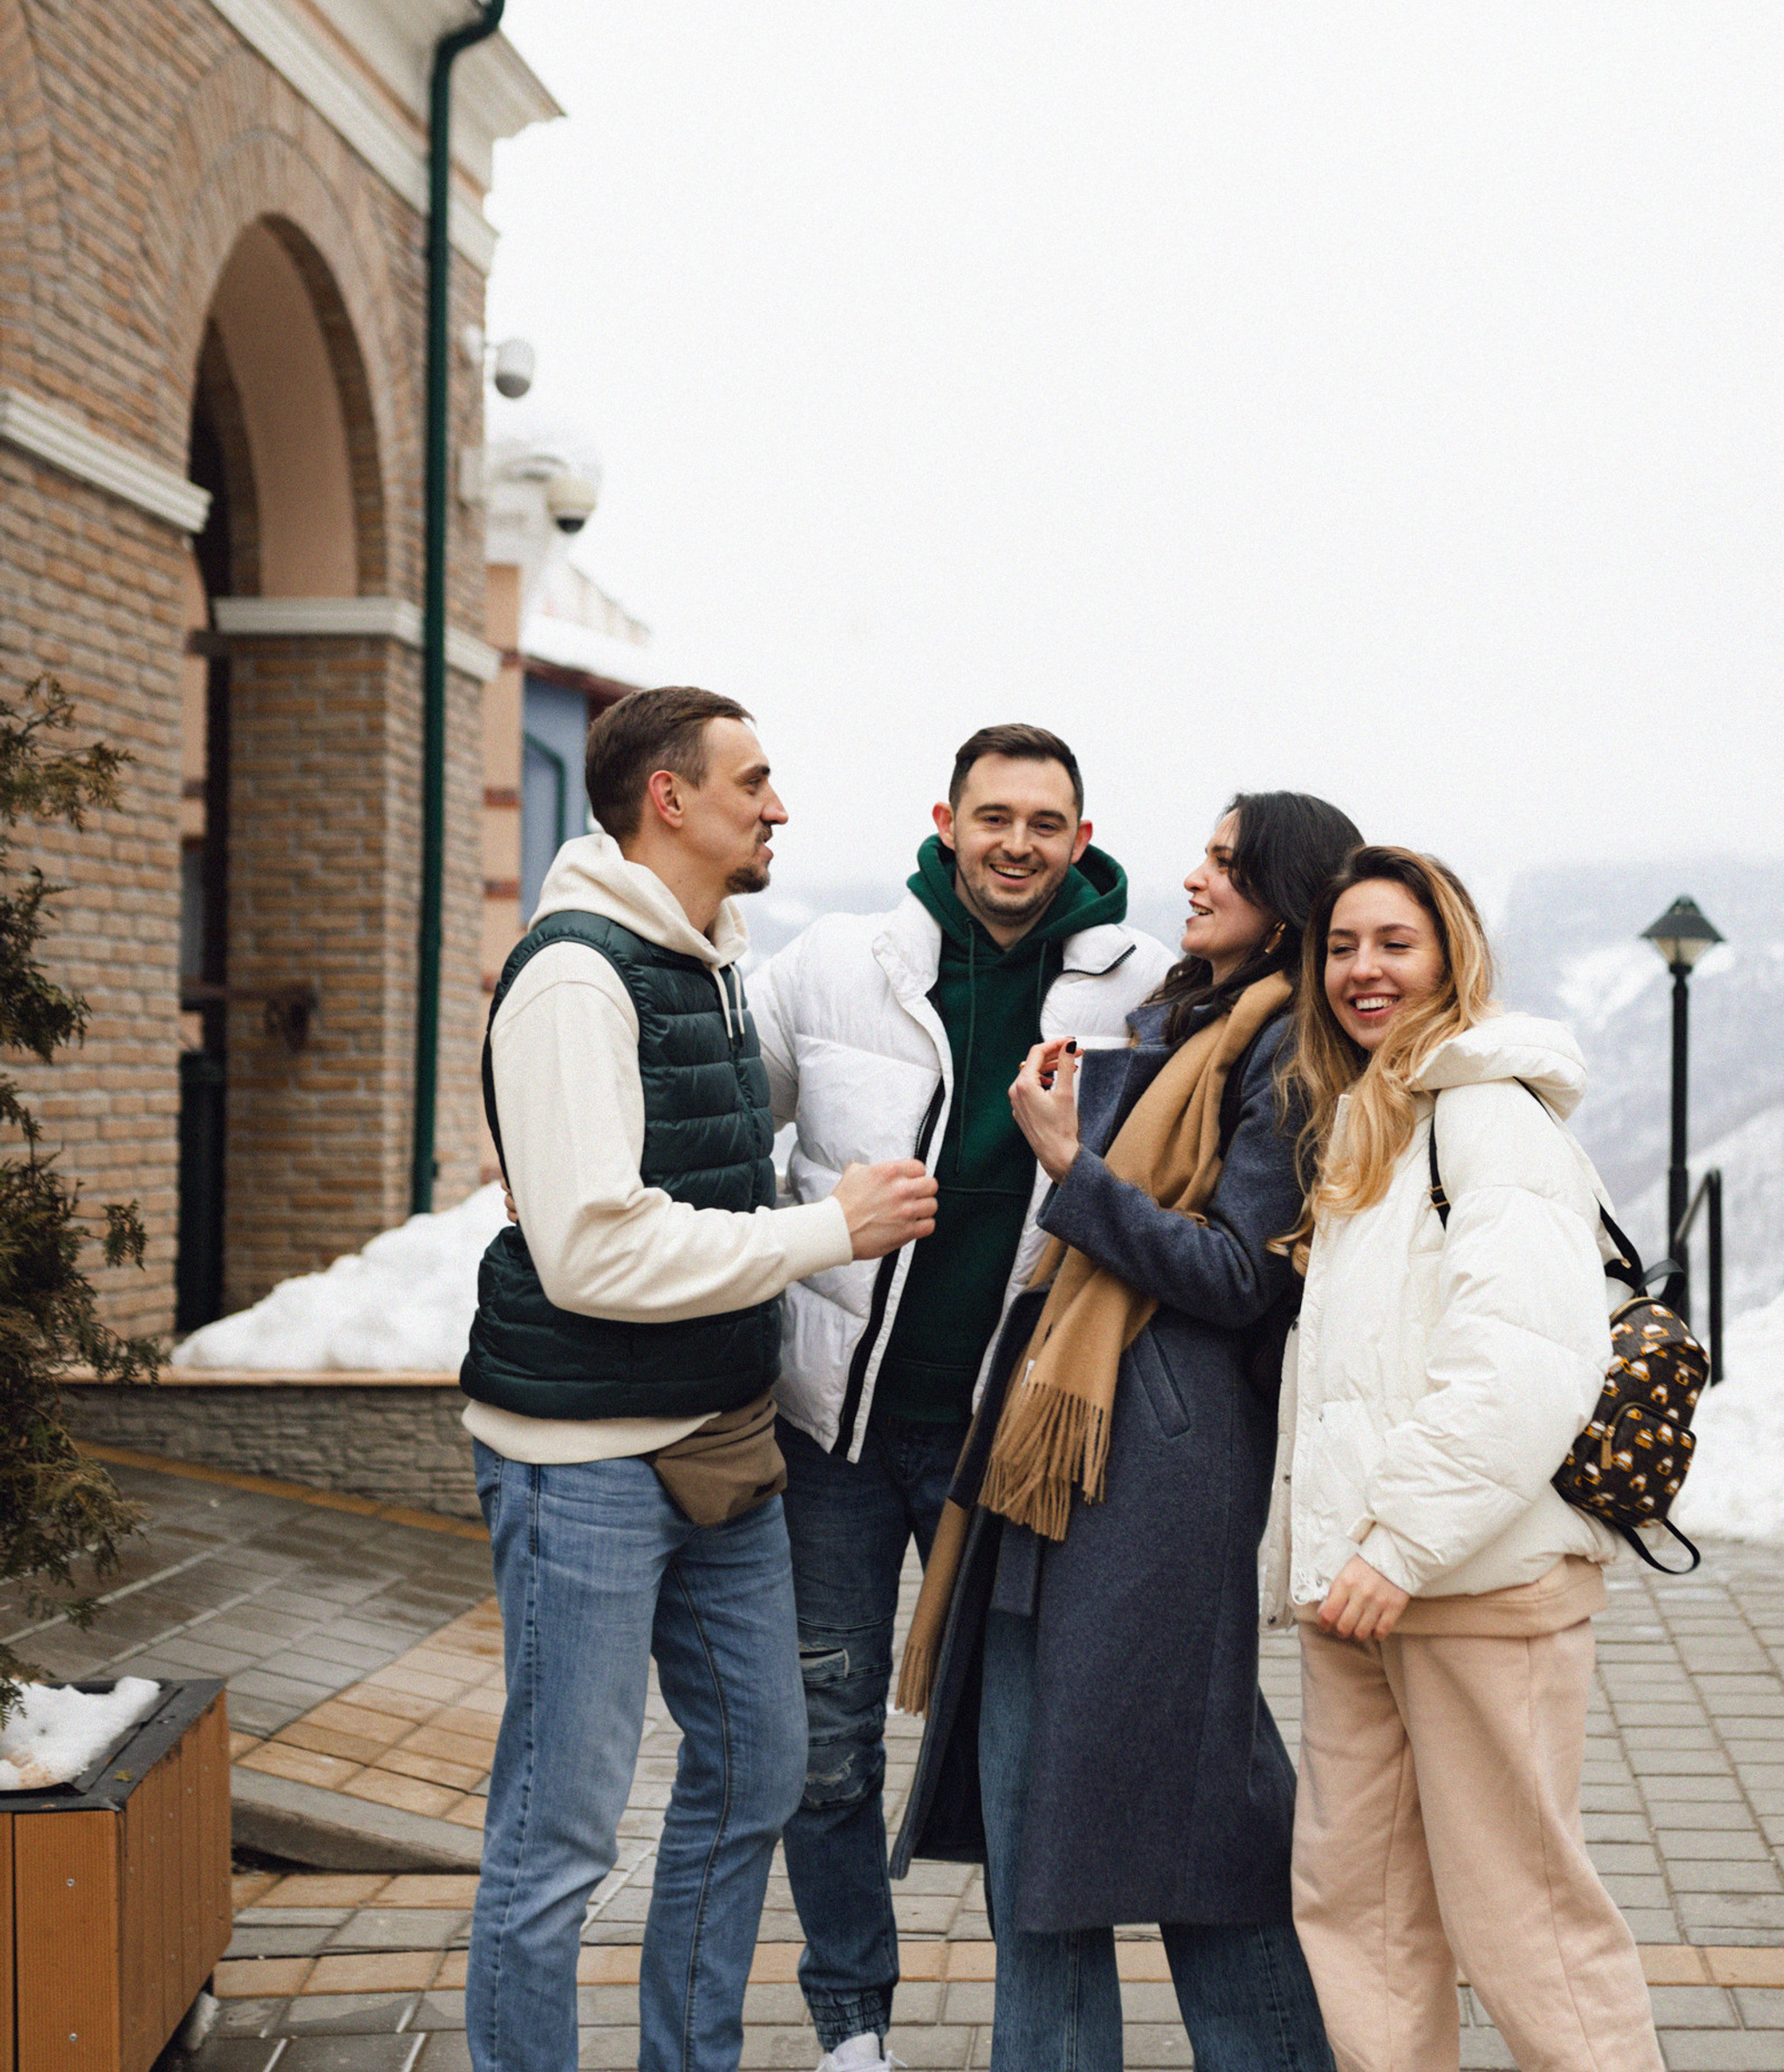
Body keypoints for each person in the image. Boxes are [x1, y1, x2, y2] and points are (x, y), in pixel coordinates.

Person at [458, 686, 938, 2072]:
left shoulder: (713, 957)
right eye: (753, 781)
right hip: (583, 1464)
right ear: (668, 799)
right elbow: (591, 1250)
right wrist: (825, 1231)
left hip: (721, 1450)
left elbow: (706, 1168)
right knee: (558, 1828)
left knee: (758, 1774)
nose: (779, 807)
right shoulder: (574, 977)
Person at [892, 791, 1364, 2072]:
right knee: (1044, 1816)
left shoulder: (1291, 1053)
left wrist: (1071, 1166)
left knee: (1193, 1806)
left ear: (1287, 901)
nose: (1194, 880)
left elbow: (1240, 1274)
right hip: (1064, 1453)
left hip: (1155, 1472)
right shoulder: (1194, 1017)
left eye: (1227, 864)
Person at [749, 724, 1172, 2072]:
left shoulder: (1142, 991)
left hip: (1013, 1442)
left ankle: (1038, 2038)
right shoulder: (836, 965)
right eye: (994, 817)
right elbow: (722, 1126)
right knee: (826, 1744)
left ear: (1081, 840)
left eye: (1046, 824)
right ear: (946, 822)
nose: (1017, 845)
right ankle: (852, 2030)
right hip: (835, 1430)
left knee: (1024, 1755)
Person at [1269, 844, 1663, 2072]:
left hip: (1470, 1583)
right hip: (1360, 1596)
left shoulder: (1489, 1116)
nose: (1364, 969)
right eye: (1342, 946)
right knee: (1361, 1911)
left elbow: (1522, 1364)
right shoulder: (1373, 1120)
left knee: (1524, 1919)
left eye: (1396, 943)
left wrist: (1399, 1544)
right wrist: (1342, 1559)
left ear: (1453, 957)